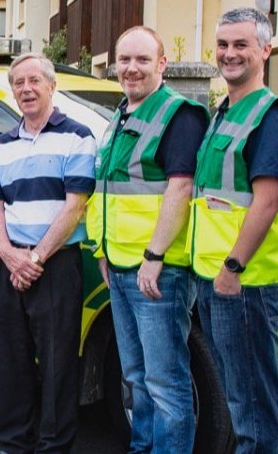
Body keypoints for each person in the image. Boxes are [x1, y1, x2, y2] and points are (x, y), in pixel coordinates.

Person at [86, 26, 209, 452]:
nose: (131, 69)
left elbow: (181, 188)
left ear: (162, 64)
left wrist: (154, 256)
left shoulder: (178, 114)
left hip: (160, 271)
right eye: (124, 60)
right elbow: (111, 191)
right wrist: (103, 251)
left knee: (166, 381)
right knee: (135, 376)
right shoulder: (122, 115)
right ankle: (142, 448)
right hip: (121, 268)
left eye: (142, 60)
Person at [191, 8, 278, 454]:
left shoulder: (268, 116)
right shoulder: (224, 112)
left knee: (253, 408)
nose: (229, 54)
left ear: (265, 51)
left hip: (243, 282)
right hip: (216, 278)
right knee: (238, 402)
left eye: (241, 45)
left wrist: (233, 267)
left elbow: (267, 202)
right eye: (223, 45)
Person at [0, 53, 96, 453]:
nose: (26, 89)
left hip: (55, 263)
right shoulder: (2, 144)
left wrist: (35, 258)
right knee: (11, 360)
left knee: (56, 363)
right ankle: (13, 442)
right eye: (19, 83)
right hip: (8, 262)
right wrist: (8, 253)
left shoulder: (78, 137)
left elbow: (75, 205)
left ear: (52, 86)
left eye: (35, 81)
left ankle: (53, 445)